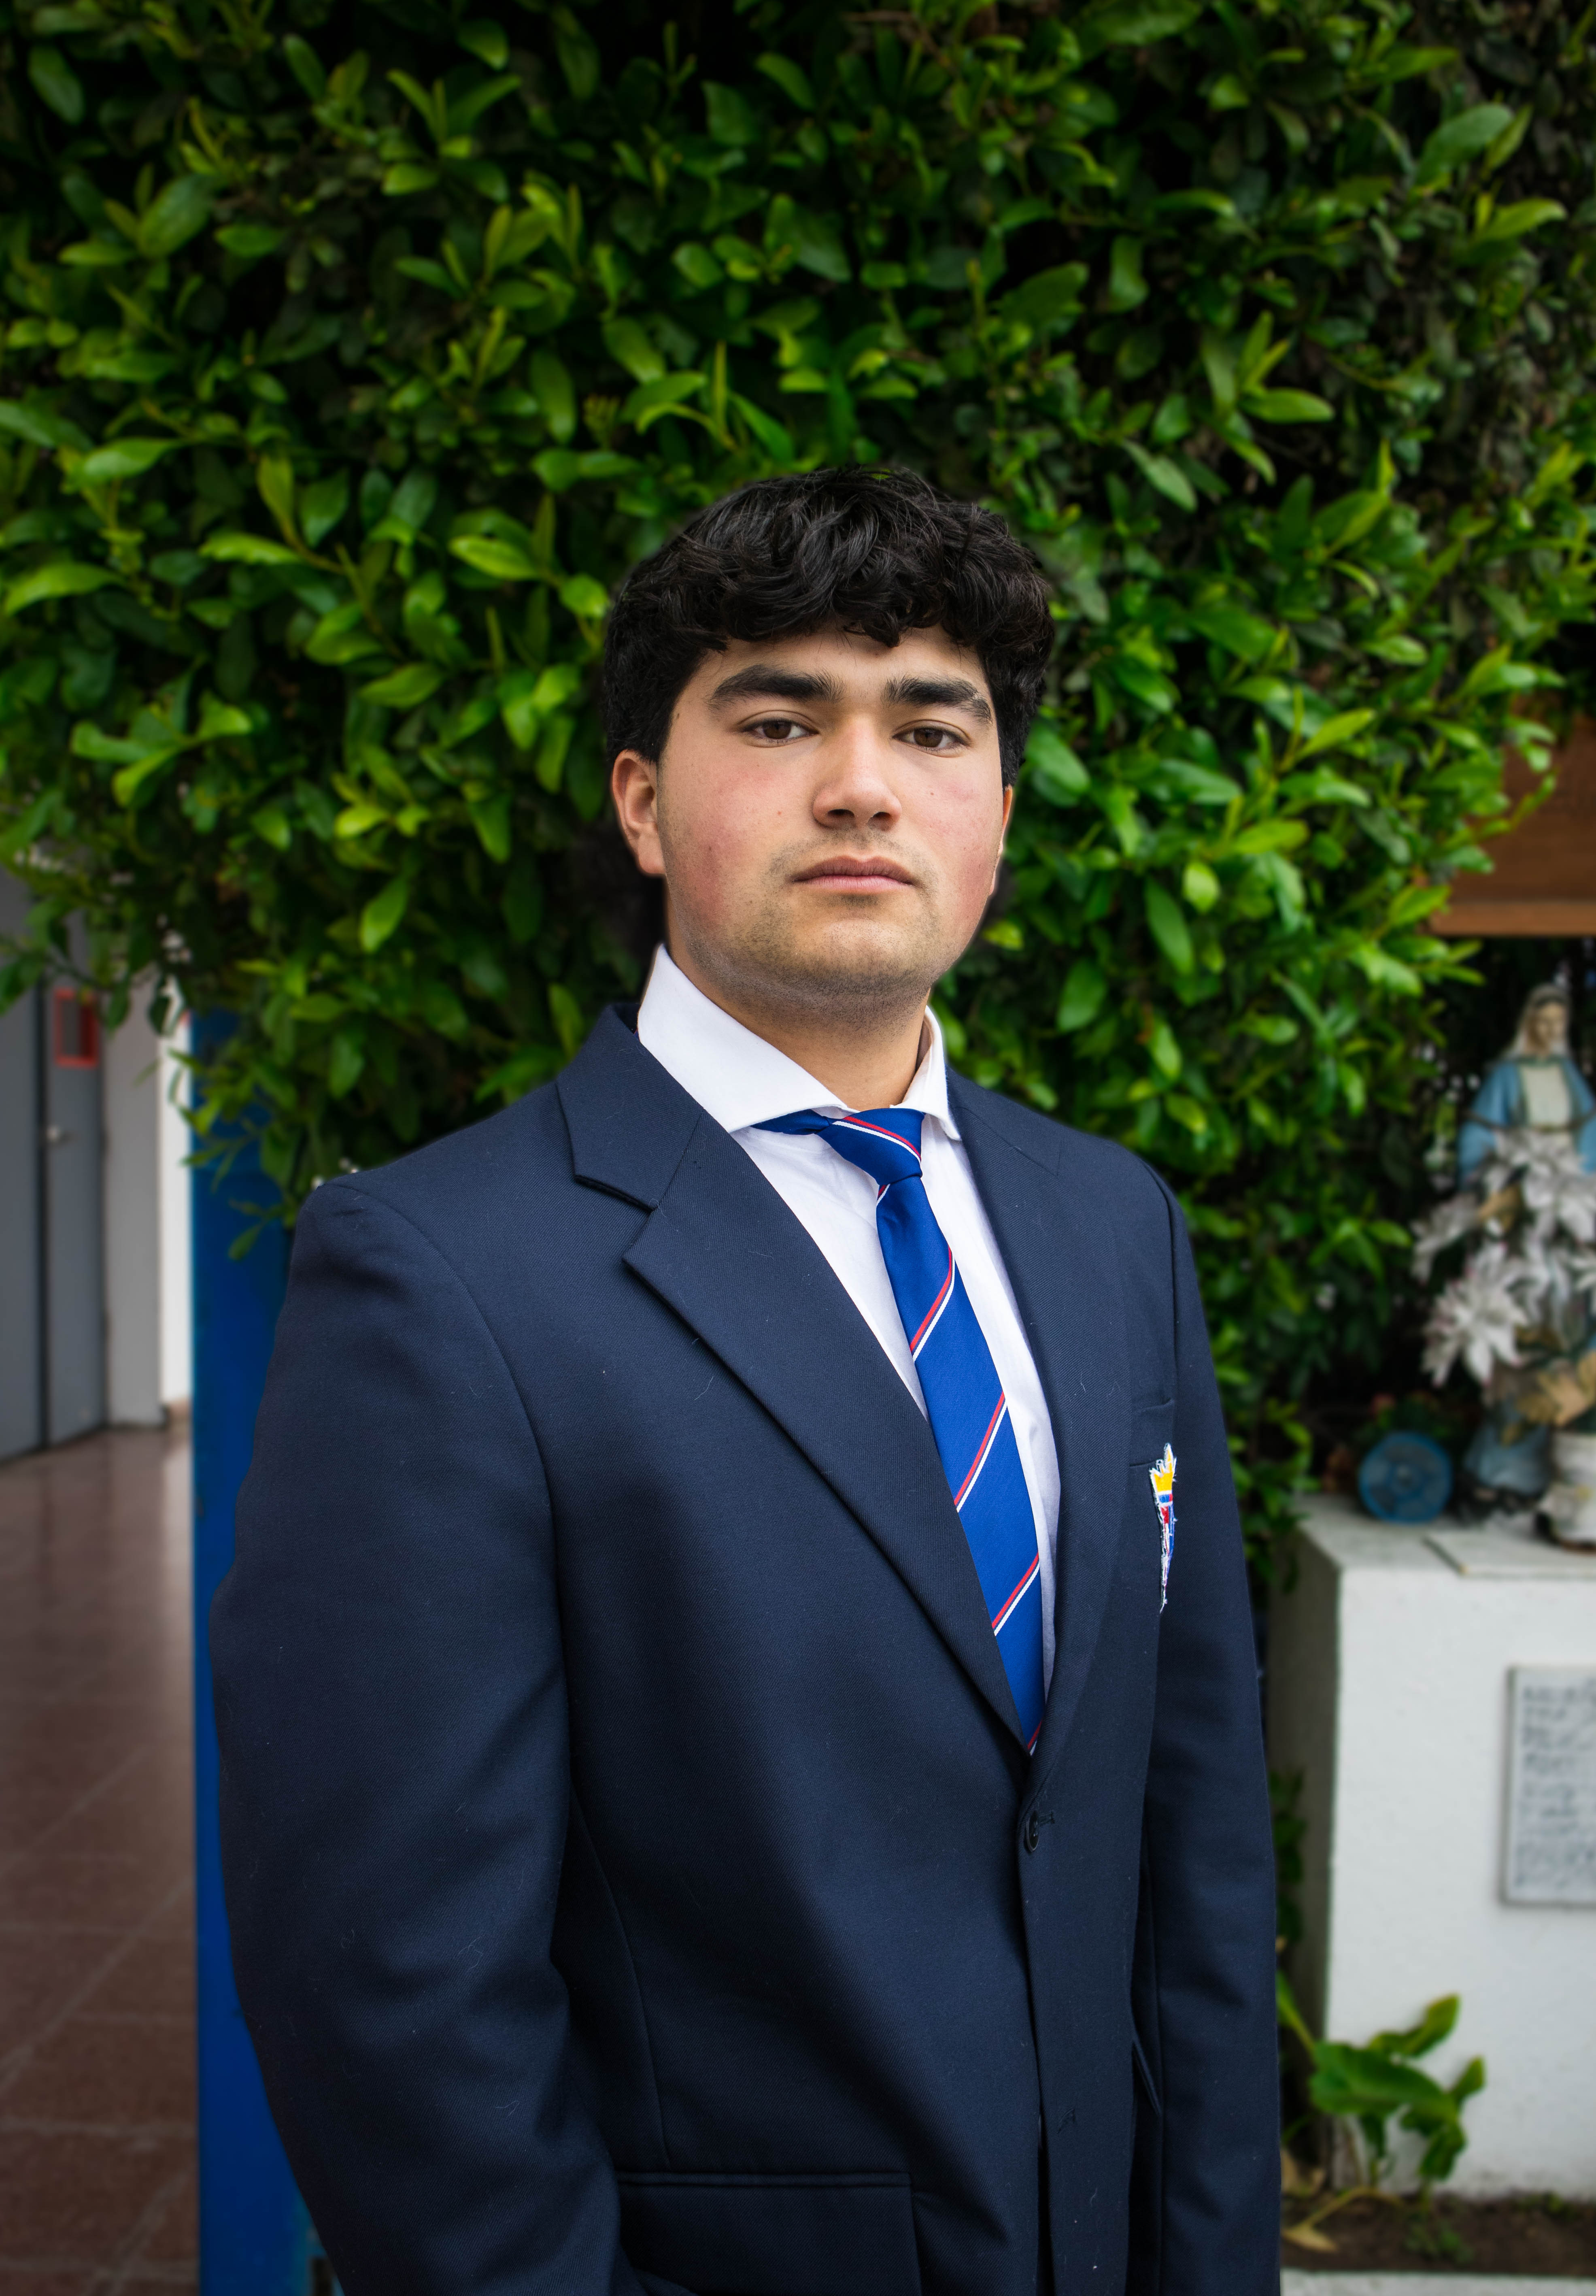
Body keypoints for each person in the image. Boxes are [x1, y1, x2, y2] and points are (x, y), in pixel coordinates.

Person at [211, 467, 1279, 2296]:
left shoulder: (1113, 1224)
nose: (861, 782)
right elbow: (388, 1980)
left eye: (931, 727)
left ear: (998, 809)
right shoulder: (440, 1277)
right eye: (778, 721)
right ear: (641, 801)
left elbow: (1189, 1839)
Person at [1456, 982, 1596, 1182]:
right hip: (1526, 1164)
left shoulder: (1566, 1070)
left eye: (1559, 1021)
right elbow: (1481, 1127)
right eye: (1545, 1022)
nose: (1552, 1030)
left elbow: (1593, 1126)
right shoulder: (1507, 1073)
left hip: (1572, 1164)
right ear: (1530, 1022)